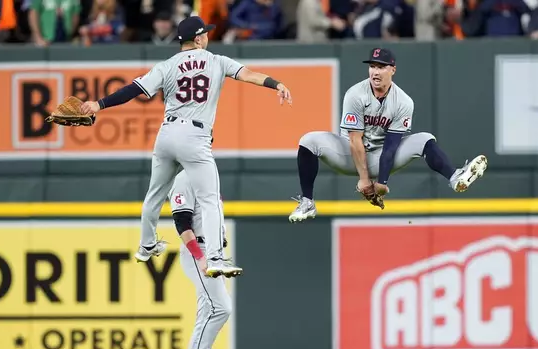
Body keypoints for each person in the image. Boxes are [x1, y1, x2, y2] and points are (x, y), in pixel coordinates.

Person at [80, 16, 292, 277]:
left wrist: (98, 104)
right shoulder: (216, 60)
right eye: (206, 34)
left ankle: (146, 245)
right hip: (195, 136)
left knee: (155, 195)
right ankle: (215, 257)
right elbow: (249, 75)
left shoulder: (167, 65)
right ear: (200, 38)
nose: (208, 38)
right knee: (210, 199)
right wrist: (276, 84)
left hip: (167, 133)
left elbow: (132, 89)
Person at [289, 47, 487, 222]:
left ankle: (454, 178)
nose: (375, 72)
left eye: (381, 67)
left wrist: (382, 182)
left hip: (382, 155)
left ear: (393, 70)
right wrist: (365, 180)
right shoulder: (355, 94)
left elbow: (392, 146)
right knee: (309, 141)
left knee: (424, 139)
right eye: (372, 66)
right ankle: (307, 202)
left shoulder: (403, 101)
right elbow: (354, 140)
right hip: (350, 155)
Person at [159, 169, 236, 349]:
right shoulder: (184, 178)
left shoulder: (208, 176)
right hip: (198, 251)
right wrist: (201, 257)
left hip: (213, 253)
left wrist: (217, 257)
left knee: (206, 312)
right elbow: (182, 223)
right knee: (221, 308)